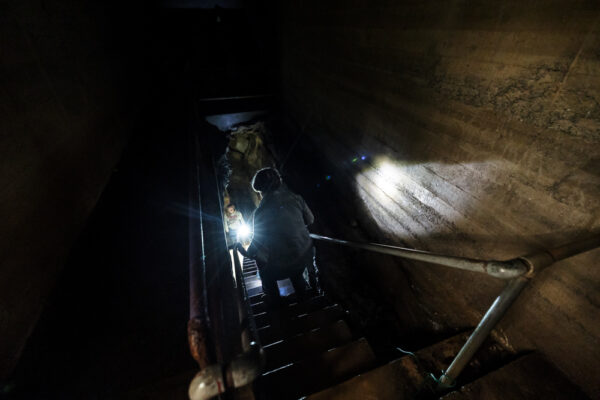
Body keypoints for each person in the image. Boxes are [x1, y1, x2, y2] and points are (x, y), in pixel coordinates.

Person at [236, 167, 320, 305]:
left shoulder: (260, 212)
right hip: (305, 255)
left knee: (264, 274)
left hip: (283, 264)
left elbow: (254, 247)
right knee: (297, 271)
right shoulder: (297, 198)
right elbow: (310, 220)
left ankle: (276, 302)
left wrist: (242, 250)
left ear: (259, 191)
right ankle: (303, 297)